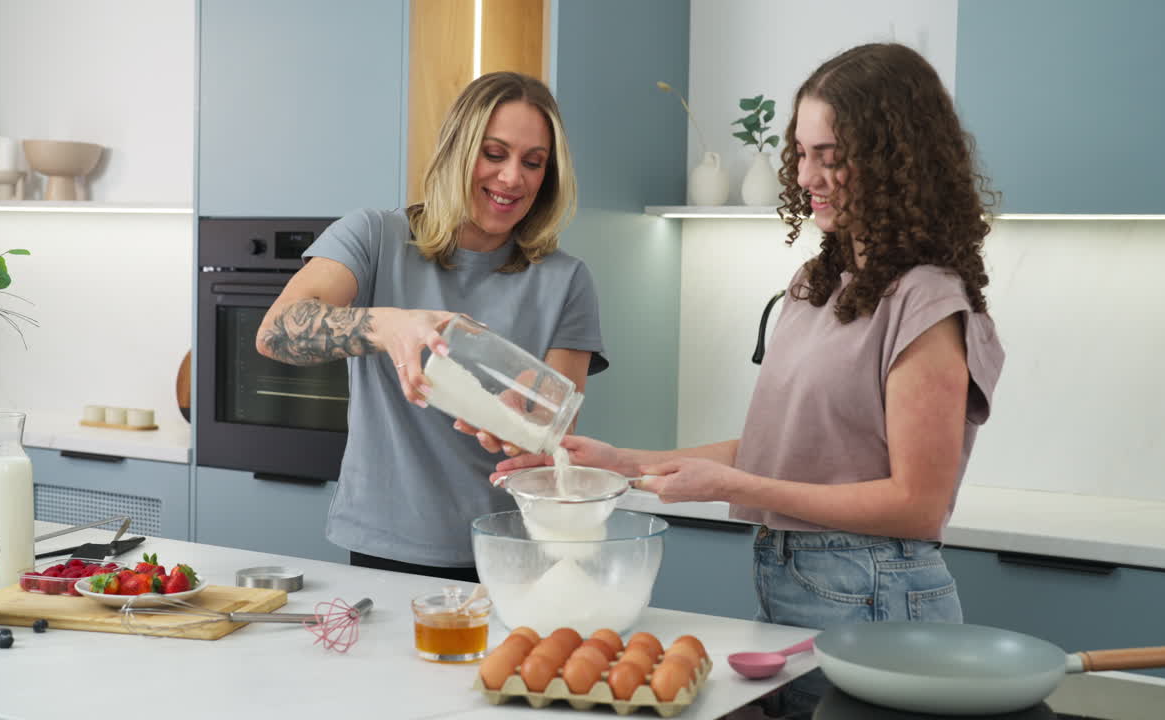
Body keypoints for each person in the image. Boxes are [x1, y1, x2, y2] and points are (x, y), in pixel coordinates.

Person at [494, 43, 1004, 715]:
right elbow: (777, 447)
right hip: (799, 584)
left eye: (834, 156)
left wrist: (733, 488)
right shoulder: (818, 285)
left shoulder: (929, 300)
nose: (811, 176)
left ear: (895, 162)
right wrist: (623, 465)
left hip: (882, 598)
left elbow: (918, 503)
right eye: (803, 154)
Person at [256, 71, 608, 583]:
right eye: (494, 153)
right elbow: (276, 331)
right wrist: (389, 326)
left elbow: (556, 439)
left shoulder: (566, 280)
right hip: (384, 545)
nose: (513, 177)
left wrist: (524, 434)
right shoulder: (374, 236)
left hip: (510, 553)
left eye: (533, 163)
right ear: (458, 151)